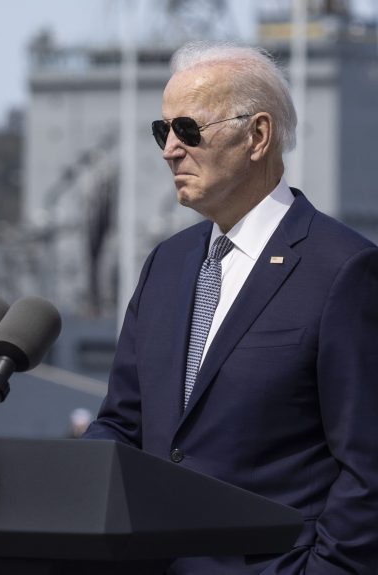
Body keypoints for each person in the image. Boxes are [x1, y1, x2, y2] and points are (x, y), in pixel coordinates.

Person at [84, 41, 378, 574]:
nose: (170, 148)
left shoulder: (345, 270)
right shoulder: (165, 267)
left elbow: (369, 470)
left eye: (188, 130)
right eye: (162, 130)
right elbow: (122, 426)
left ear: (257, 136)